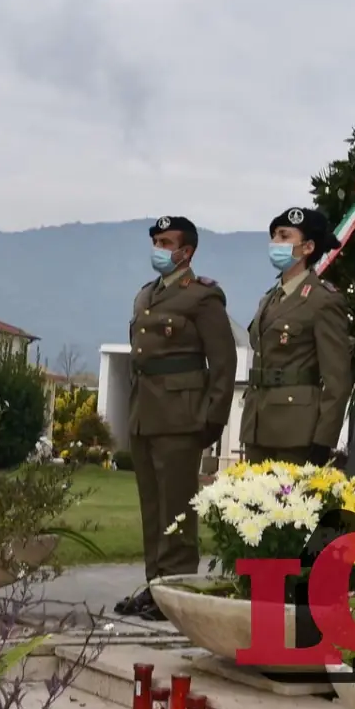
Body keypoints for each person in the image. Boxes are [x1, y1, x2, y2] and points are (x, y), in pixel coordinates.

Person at [114, 216, 237, 621]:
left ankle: (179, 591)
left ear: (187, 251)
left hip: (182, 417)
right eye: (155, 241)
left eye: (166, 242)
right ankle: (156, 589)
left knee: (178, 510)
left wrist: (212, 420)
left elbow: (223, 362)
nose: (159, 248)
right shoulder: (145, 296)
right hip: (144, 415)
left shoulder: (202, 297)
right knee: (153, 508)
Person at [239, 207, 352, 465]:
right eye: (274, 236)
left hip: (297, 429)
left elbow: (337, 379)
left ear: (308, 247)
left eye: (283, 236)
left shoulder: (322, 299)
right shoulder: (269, 298)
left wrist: (324, 439)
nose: (275, 243)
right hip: (257, 423)